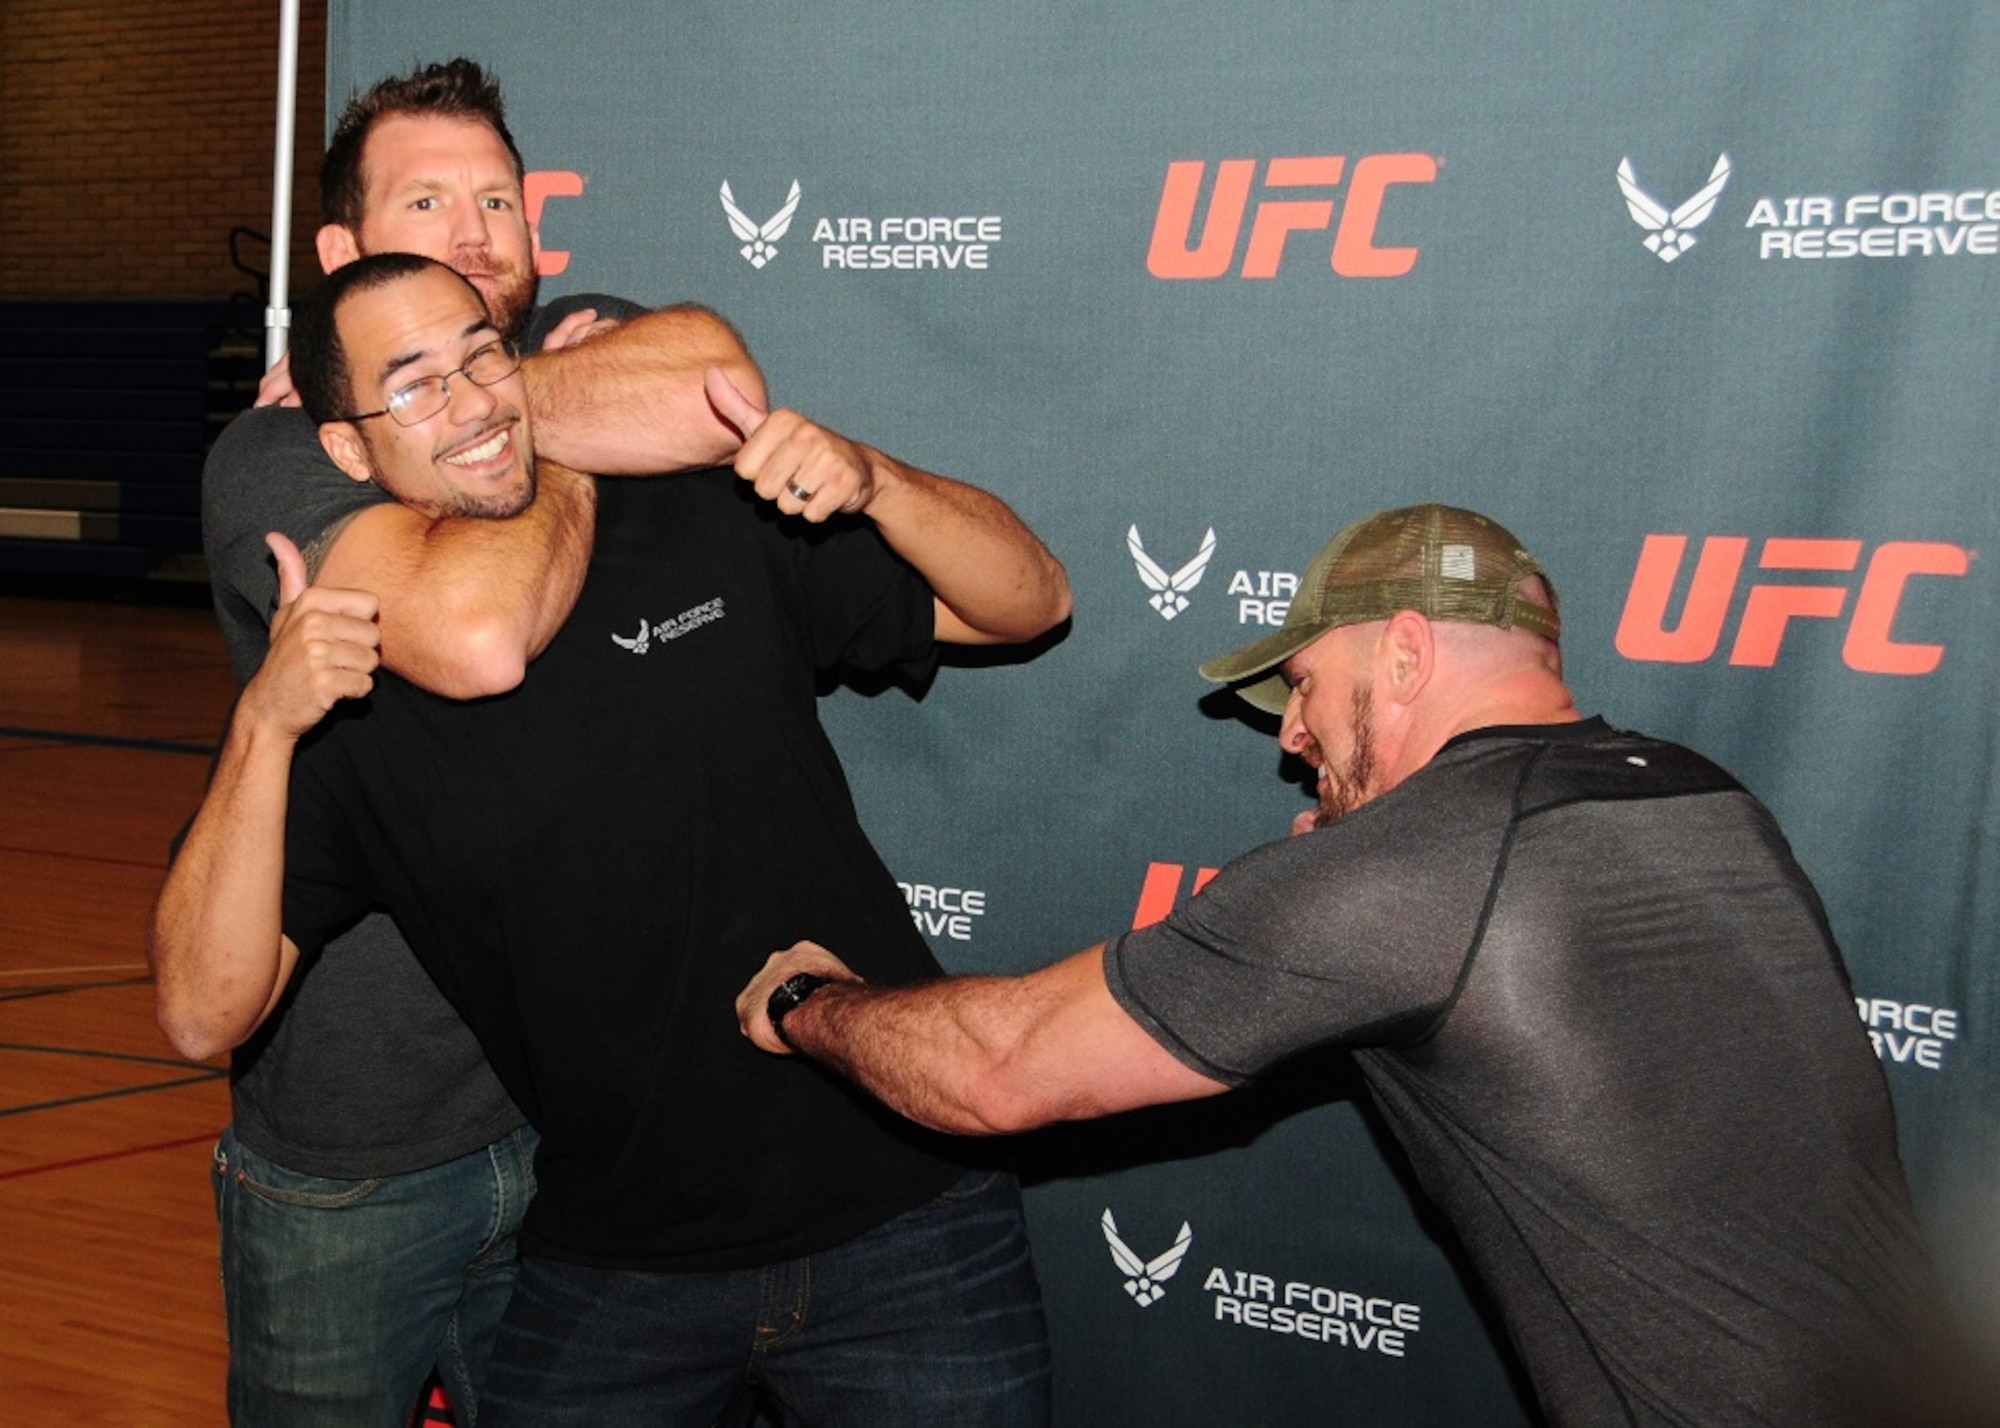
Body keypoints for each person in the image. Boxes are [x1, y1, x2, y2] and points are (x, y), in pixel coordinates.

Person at [737, 503, 1943, 1426]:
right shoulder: (1696, 791)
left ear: (1406, 655)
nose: (1294, 735)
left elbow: (997, 1071)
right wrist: (1353, 889)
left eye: (1305, 685)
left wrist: (808, 1002)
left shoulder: (1415, 873)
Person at [156, 252, 1070, 1424]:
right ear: (346, 451)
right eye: (413, 384)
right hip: (617, 1270)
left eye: (480, 354)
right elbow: (199, 1011)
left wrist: (877, 478)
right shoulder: (357, 689)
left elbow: (1031, 599)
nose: (472, 400)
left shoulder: (693, 514)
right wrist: (264, 728)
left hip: (906, 1213)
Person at [196, 58, 764, 1425]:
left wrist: (481, 401)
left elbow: (716, 388)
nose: (473, 233)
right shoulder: (282, 453)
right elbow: (470, 630)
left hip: (568, 1118)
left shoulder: (563, 338)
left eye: (498, 201)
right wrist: (540, 411)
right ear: (338, 252)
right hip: (355, 1153)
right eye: (428, 201)